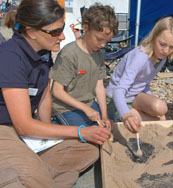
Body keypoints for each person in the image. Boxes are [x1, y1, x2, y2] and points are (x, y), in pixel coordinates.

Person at [0, 0, 110, 187]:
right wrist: (81, 131)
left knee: (89, 150)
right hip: (5, 129)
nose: (62, 36)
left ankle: (26, 169)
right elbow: (24, 126)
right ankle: (28, 173)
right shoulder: (10, 57)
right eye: (55, 32)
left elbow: (43, 95)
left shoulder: (43, 53)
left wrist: (46, 132)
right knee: (44, 178)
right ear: (31, 32)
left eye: (63, 28)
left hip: (23, 135)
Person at [106, 16, 173, 133]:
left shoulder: (161, 58)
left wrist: (151, 101)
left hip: (135, 97)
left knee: (161, 109)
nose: (166, 51)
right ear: (154, 37)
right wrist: (126, 116)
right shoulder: (140, 56)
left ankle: (139, 113)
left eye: (171, 47)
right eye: (162, 44)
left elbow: (144, 83)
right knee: (161, 122)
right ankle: (118, 116)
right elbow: (118, 90)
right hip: (116, 100)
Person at [50, 3, 118, 128]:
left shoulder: (98, 55)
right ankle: (54, 122)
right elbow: (57, 92)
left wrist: (104, 116)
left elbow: (99, 86)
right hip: (65, 108)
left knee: (111, 125)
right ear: (85, 28)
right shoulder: (69, 54)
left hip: (89, 104)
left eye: (106, 41)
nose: (103, 45)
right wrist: (85, 109)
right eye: (99, 39)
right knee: (86, 135)